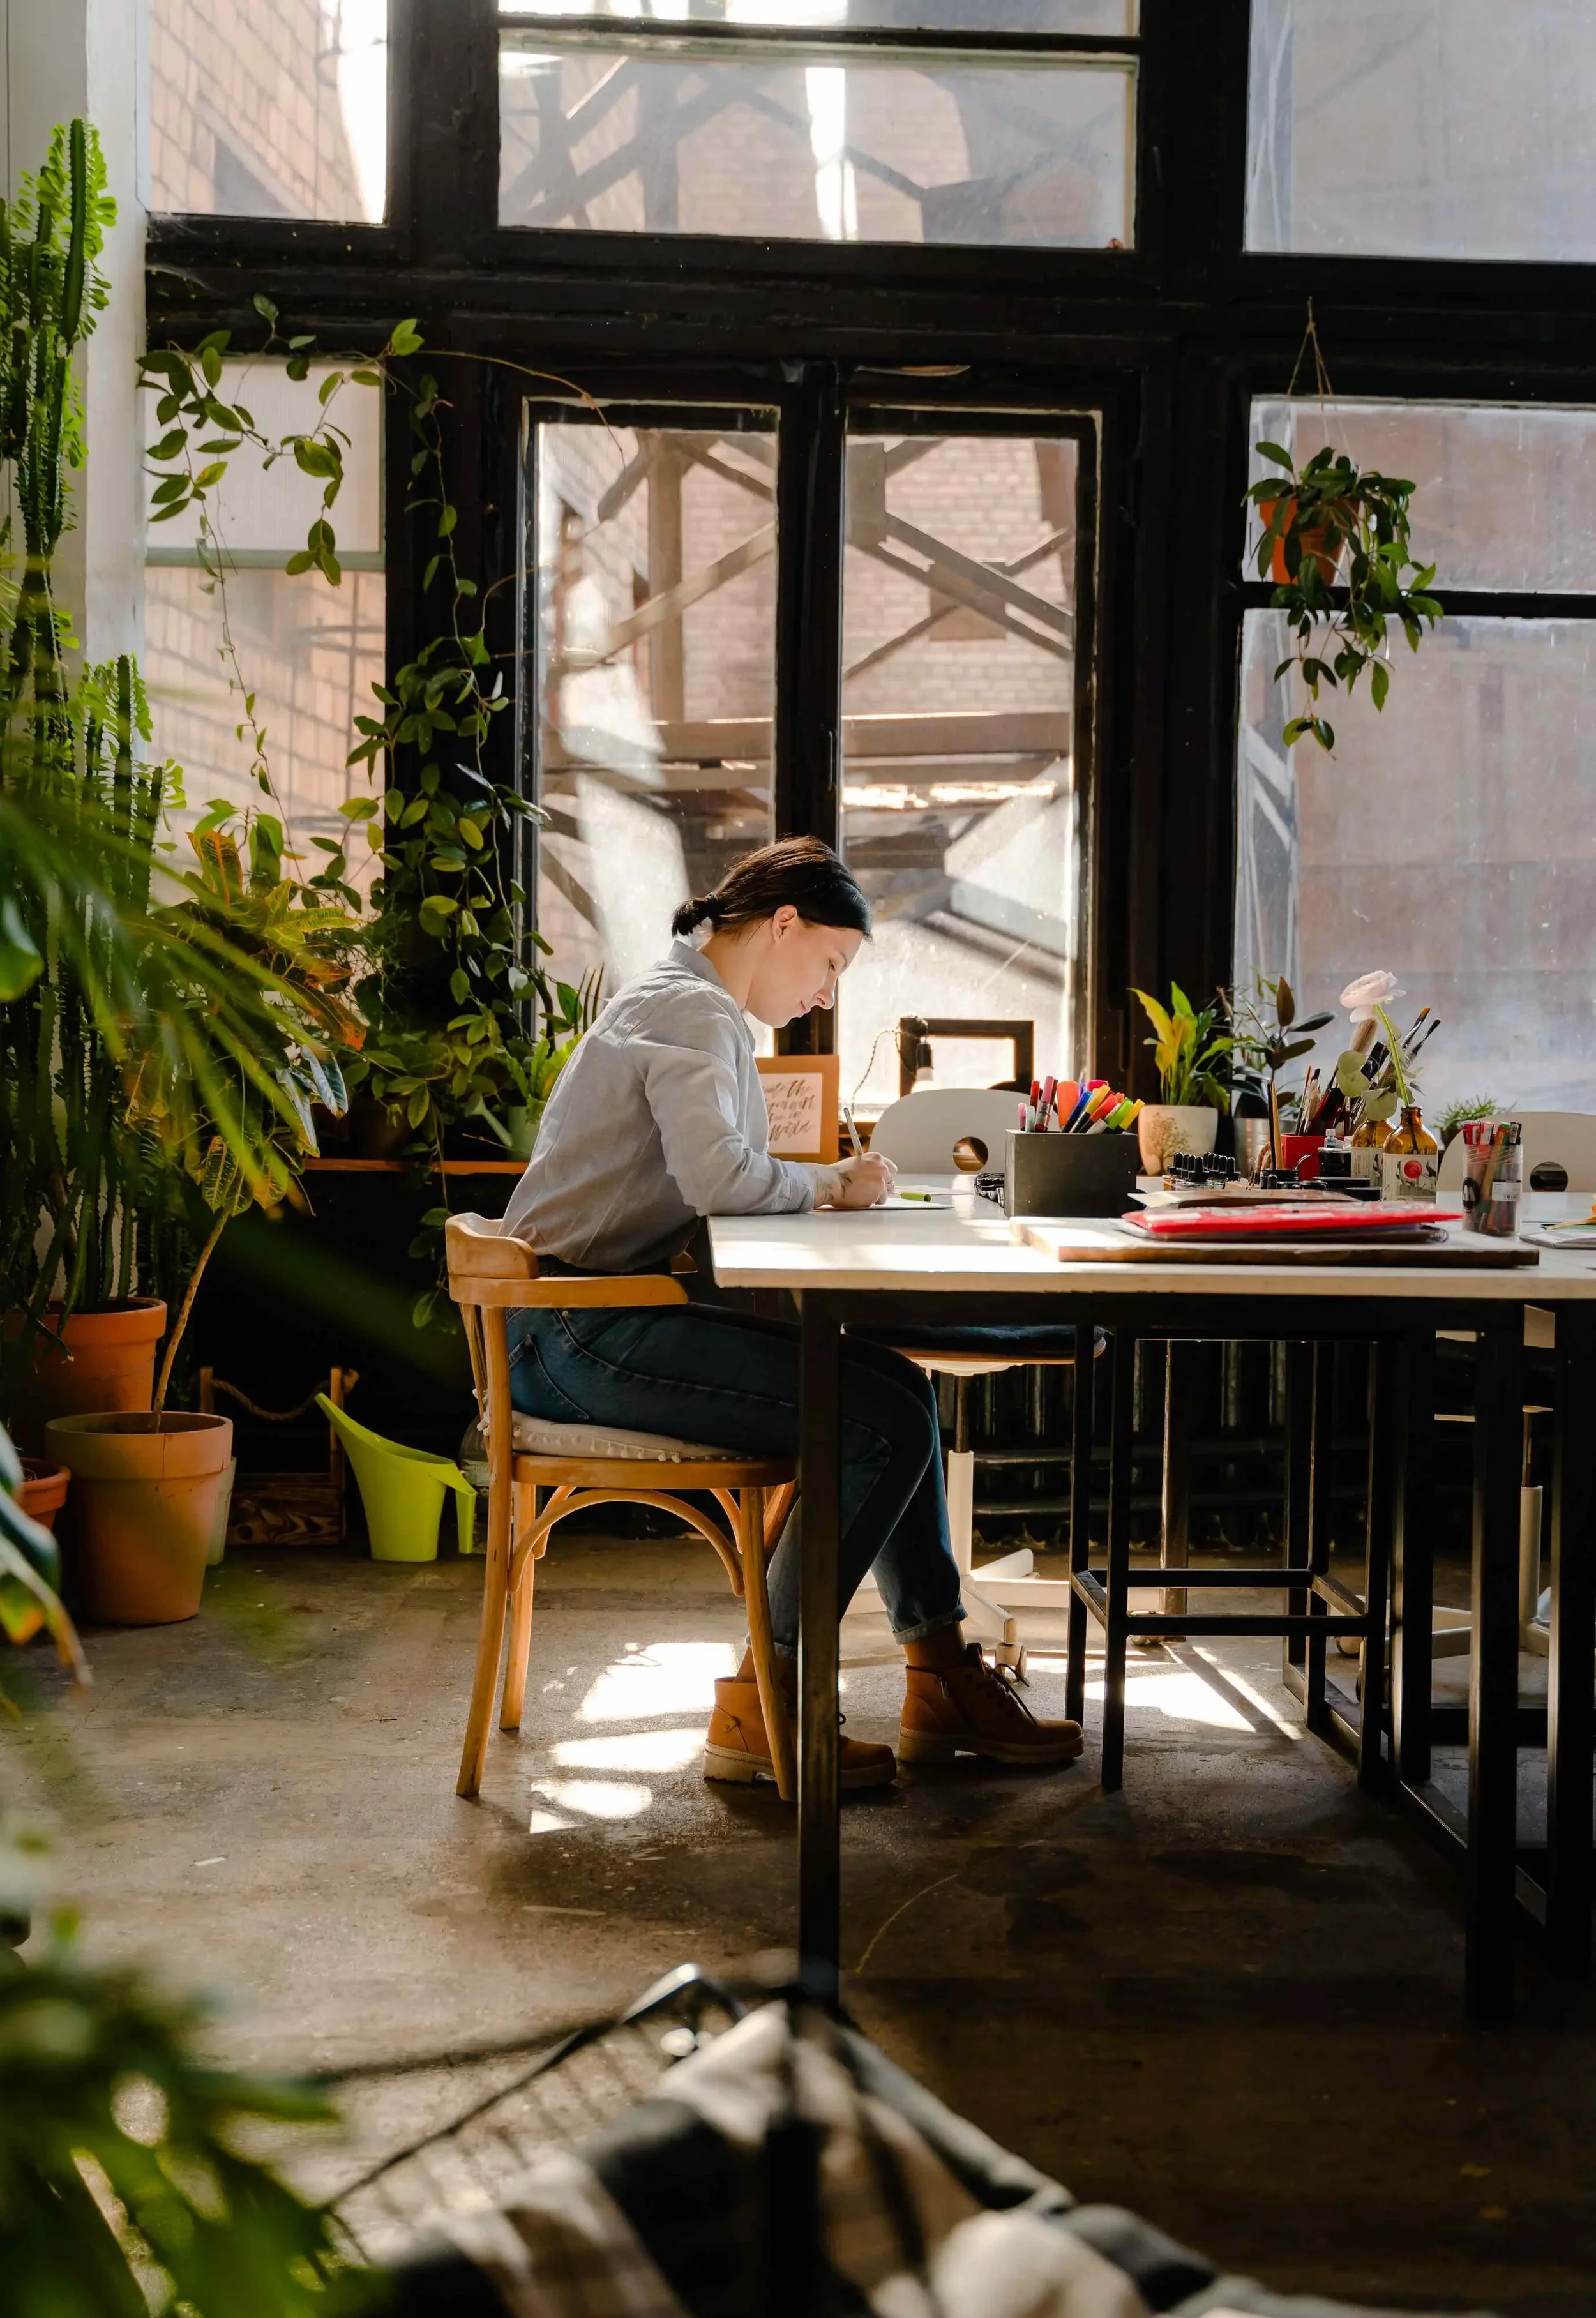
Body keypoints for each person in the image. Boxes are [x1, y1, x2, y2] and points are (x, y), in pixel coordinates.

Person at [501, 837, 1082, 1791]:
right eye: (830, 964)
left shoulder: (679, 999)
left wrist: (821, 1186)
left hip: (577, 1317)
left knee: (892, 1388)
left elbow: (710, 1175)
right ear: (782, 924)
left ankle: (936, 1677)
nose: (825, 993)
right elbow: (719, 1178)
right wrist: (835, 1186)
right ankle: (767, 1700)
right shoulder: (694, 1011)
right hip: (575, 1329)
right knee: (885, 1416)